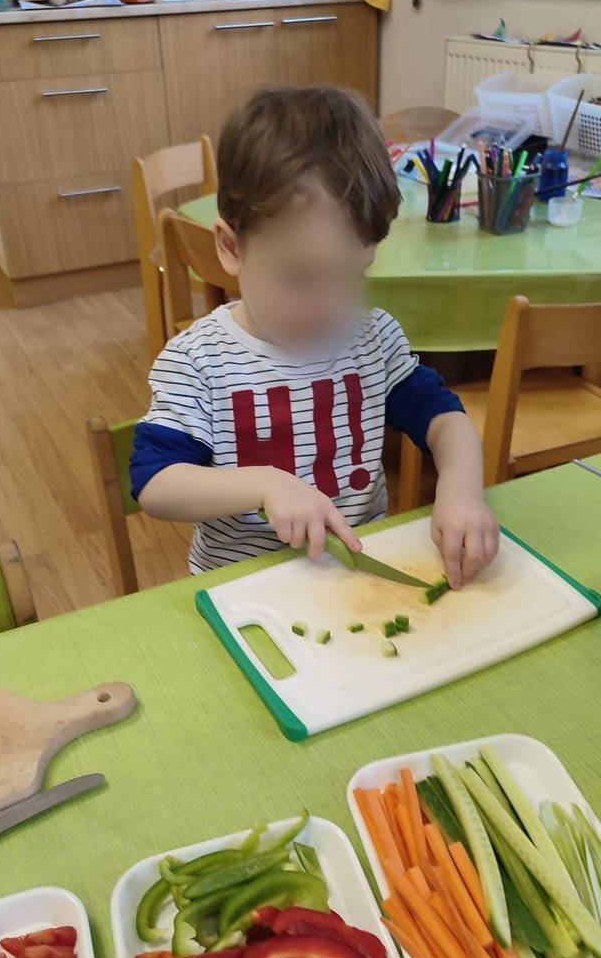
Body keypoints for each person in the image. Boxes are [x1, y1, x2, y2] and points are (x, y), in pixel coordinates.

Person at [130, 86, 499, 589]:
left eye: (352, 274)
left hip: (355, 581)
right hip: (245, 590)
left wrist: (461, 491)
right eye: (301, 278)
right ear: (232, 247)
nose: (334, 307)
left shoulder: (371, 340)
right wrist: (264, 484)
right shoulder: (199, 361)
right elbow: (155, 482)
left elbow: (446, 420)